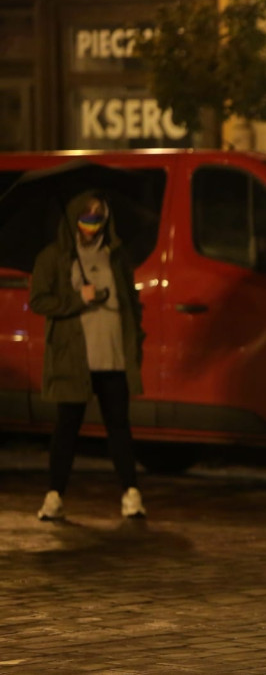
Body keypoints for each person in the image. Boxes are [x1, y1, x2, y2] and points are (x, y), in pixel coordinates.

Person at [30, 191, 147, 522]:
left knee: (119, 427)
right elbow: (39, 300)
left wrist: (135, 340)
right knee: (67, 428)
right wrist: (78, 297)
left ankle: (131, 494)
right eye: (86, 216)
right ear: (73, 218)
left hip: (113, 358)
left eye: (99, 216)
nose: (92, 224)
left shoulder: (116, 257)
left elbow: (130, 303)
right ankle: (54, 495)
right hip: (74, 359)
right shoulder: (53, 257)